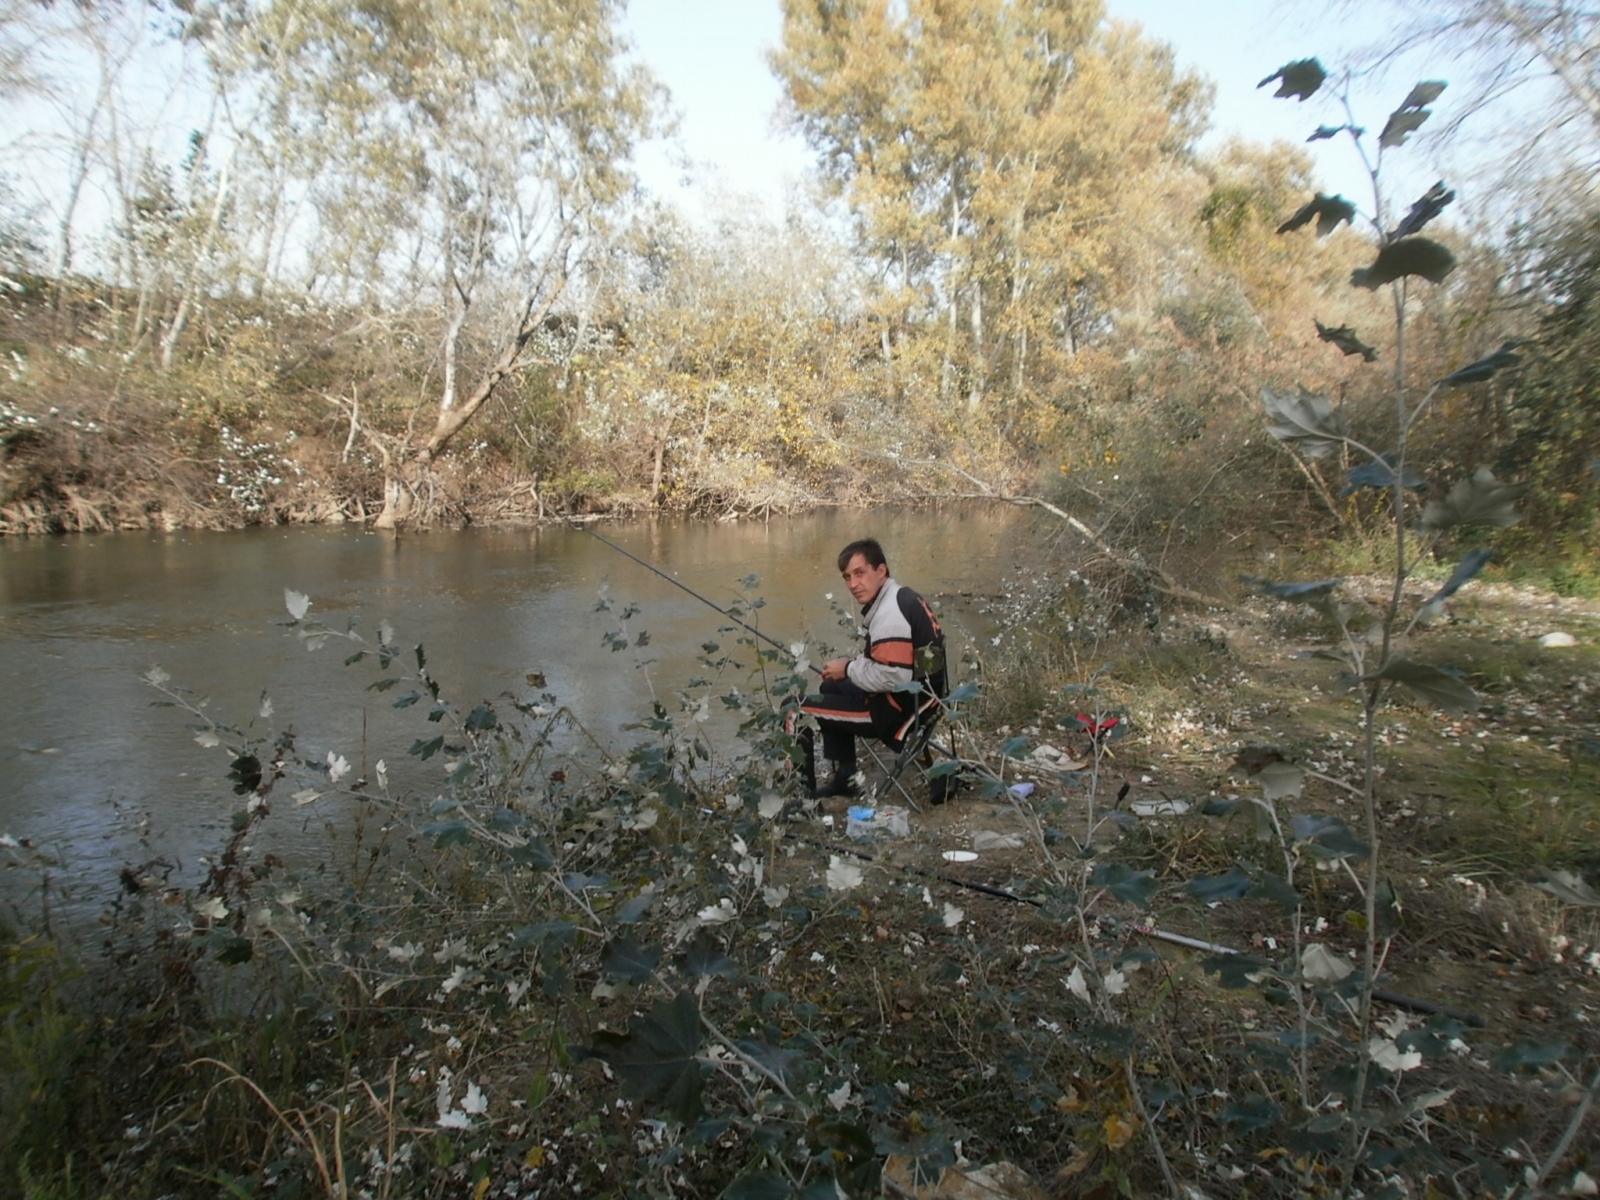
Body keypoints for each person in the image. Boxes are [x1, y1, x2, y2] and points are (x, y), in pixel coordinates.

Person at [798, 538, 946, 798]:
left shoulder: (891, 614)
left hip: (897, 714)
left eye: (860, 573)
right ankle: (846, 780)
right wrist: (851, 666)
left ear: (881, 571)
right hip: (925, 702)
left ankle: (800, 803)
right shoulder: (902, 597)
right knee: (830, 686)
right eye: (847, 577)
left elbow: (896, 677)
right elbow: (896, 663)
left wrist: (848, 669)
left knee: (794, 708)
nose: (853, 584)